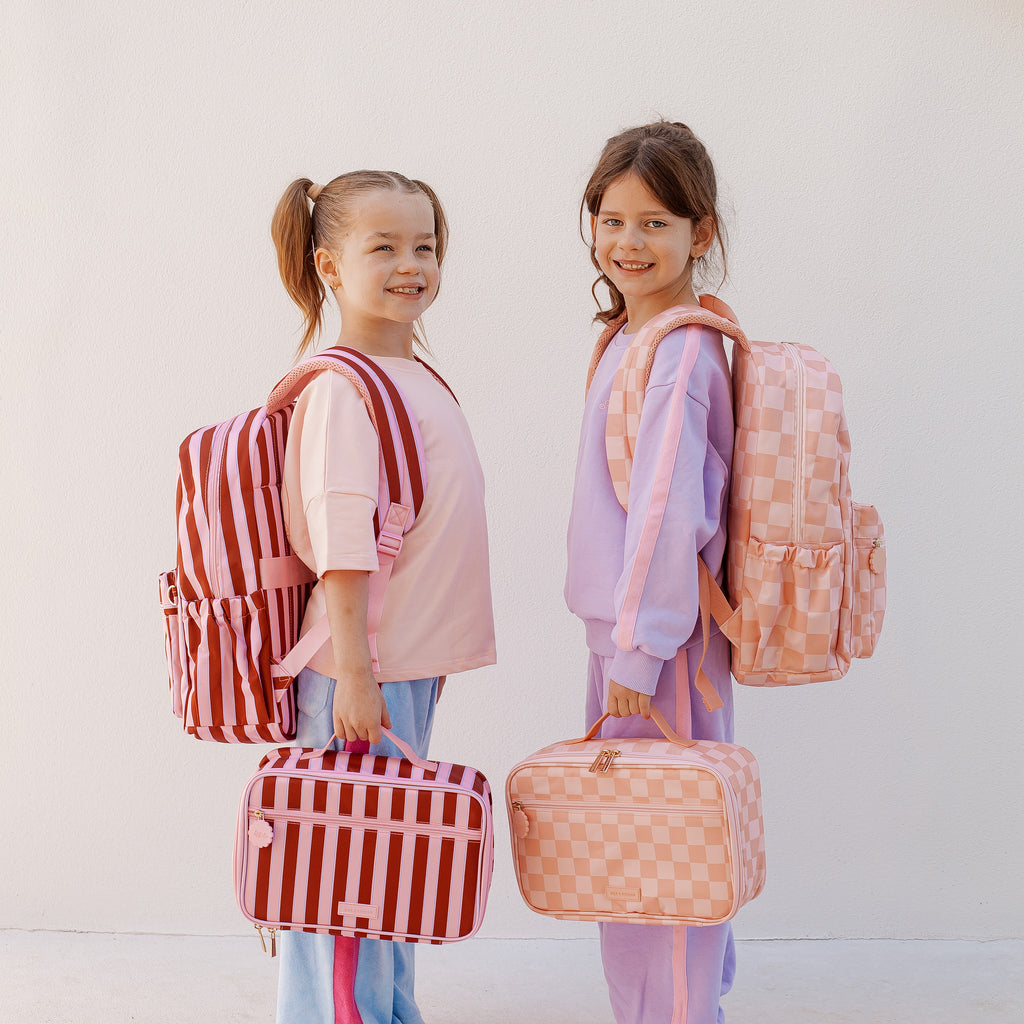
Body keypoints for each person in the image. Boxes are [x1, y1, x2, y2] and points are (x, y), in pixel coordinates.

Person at [270, 170, 496, 1024]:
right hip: (359, 670)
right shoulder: (343, 386)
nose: (412, 265)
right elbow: (342, 544)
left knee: (390, 872)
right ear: (330, 266)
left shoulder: (413, 374)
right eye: (385, 247)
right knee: (342, 890)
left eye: (425, 246)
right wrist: (356, 674)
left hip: (405, 667)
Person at [564, 122, 737, 1024]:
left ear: (700, 234)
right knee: (644, 842)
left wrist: (636, 653)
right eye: (613, 219)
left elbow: (671, 516)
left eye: (657, 224)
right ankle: (676, 1006)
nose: (630, 243)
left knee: (657, 852)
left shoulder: (676, 353)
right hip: (636, 637)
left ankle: (675, 1013)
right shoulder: (634, 339)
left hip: (655, 648)